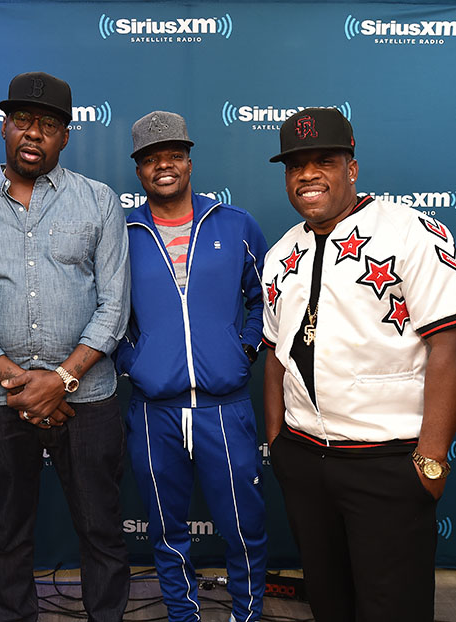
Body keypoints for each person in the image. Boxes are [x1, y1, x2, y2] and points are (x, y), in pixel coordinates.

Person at [261, 107, 456, 622]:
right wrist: (277, 441)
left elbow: (452, 344)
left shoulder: (413, 232)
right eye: (295, 165)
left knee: (392, 608)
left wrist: (431, 458)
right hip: (306, 461)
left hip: (387, 463)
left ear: (351, 168)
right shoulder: (278, 253)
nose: (307, 174)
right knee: (331, 605)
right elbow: (274, 352)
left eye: (324, 161)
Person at [0, 71, 131, 622]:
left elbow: (114, 305)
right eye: (22, 120)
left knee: (102, 532)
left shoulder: (98, 201)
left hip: (87, 398)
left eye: (47, 125)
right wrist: (17, 382)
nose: (33, 133)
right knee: (7, 537)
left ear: (65, 136)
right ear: (4, 127)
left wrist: (62, 379)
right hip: (0, 403)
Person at [113, 111, 269, 622]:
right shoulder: (120, 232)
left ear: (189, 161)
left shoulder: (234, 223)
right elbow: (102, 309)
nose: (164, 165)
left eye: (173, 155)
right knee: (166, 529)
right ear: (139, 170)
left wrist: (243, 348)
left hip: (225, 409)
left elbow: (266, 297)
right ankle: (184, 616)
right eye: (151, 158)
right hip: (154, 410)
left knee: (243, 527)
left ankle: (246, 615)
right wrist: (133, 362)